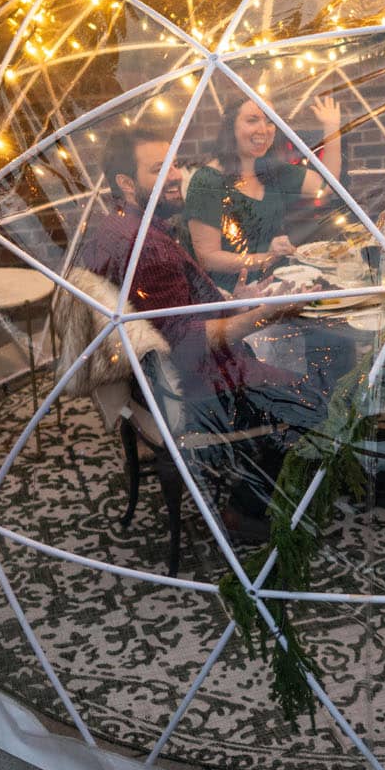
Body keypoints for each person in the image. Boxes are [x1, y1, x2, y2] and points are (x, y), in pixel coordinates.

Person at [80, 124, 319, 541]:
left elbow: (170, 310)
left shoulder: (117, 228)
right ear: (125, 182)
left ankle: (257, 464)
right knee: (313, 395)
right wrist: (265, 313)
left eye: (174, 163)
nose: (175, 175)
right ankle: (247, 509)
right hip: (189, 391)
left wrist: (235, 298)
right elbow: (188, 340)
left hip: (151, 382)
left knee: (291, 373)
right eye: (159, 169)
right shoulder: (144, 246)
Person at [184, 94, 342, 289]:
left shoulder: (273, 172)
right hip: (231, 296)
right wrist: (266, 258)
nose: (263, 129)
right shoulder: (207, 181)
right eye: (252, 120)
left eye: (270, 121)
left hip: (278, 284)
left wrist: (332, 128)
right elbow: (208, 258)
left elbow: (325, 186)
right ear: (231, 128)